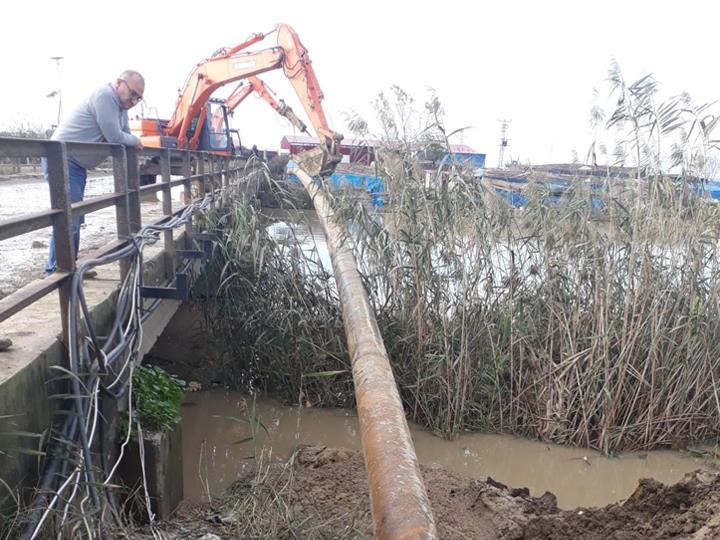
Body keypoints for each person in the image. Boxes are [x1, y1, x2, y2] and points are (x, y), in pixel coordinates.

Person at [45, 70, 145, 274]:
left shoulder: (120, 107)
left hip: (75, 164)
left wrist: (127, 138)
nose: (134, 100)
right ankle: (56, 270)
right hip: (62, 160)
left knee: (75, 218)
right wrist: (135, 141)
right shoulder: (105, 96)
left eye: (139, 97)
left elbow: (122, 134)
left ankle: (68, 268)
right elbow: (117, 136)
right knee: (67, 219)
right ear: (119, 83)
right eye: (132, 93)